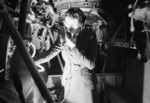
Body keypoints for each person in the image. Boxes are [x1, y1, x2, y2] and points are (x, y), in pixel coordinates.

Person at [34, 7, 97, 103]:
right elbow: (50, 54)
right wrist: (31, 61)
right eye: (67, 23)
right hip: (68, 83)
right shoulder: (63, 37)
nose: (69, 27)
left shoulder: (90, 35)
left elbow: (91, 64)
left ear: (80, 24)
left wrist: (73, 46)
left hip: (83, 85)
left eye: (73, 24)